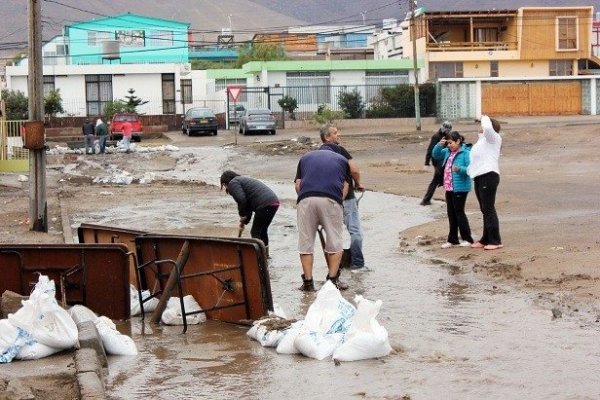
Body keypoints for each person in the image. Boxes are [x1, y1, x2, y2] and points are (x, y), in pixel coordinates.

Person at [294, 143, 350, 291]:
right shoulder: (342, 160)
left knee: (305, 244)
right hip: (331, 200)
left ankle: (308, 283)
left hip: (306, 199)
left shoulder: (305, 157)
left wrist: (306, 200)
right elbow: (345, 186)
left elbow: (298, 184)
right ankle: (332, 281)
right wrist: (339, 202)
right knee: (335, 242)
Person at [319, 123, 368, 272]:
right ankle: (358, 265)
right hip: (347, 198)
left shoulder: (317, 154)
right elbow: (354, 170)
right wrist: (358, 183)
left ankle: (335, 267)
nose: (338, 135)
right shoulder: (340, 150)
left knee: (332, 232)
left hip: (327, 199)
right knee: (355, 231)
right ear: (327, 137)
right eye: (335, 133)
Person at [220, 170, 280, 257]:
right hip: (273, 202)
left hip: (264, 204)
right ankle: (266, 256)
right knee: (262, 231)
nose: (226, 187)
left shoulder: (233, 183)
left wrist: (242, 215)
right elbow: (248, 204)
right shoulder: (242, 181)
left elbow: (242, 200)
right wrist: (246, 219)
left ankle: (259, 257)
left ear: (226, 181)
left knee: (255, 232)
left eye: (225, 185)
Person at [432, 131, 474, 248]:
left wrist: (459, 169)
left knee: (459, 212)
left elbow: (471, 169)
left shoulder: (465, 153)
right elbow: (435, 155)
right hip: (449, 187)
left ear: (458, 141)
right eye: (448, 143)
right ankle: (452, 240)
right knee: (451, 213)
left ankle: (467, 238)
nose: (449, 145)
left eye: (451, 143)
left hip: (460, 188)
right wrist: (439, 145)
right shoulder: (447, 152)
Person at [468, 115, 503, 250]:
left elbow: (488, 127)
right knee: (484, 209)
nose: (480, 129)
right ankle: (485, 239)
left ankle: (495, 240)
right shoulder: (482, 142)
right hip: (479, 177)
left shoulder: (493, 138)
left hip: (489, 175)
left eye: (481, 127)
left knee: (488, 208)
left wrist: (483, 116)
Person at [421, 120, 453, 205]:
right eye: (446, 129)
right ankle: (426, 200)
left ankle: (427, 199)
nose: (447, 131)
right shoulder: (436, 136)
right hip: (437, 162)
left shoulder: (448, 136)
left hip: (444, 161)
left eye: (448, 130)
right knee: (438, 180)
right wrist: (426, 163)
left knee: (444, 180)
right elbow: (430, 150)